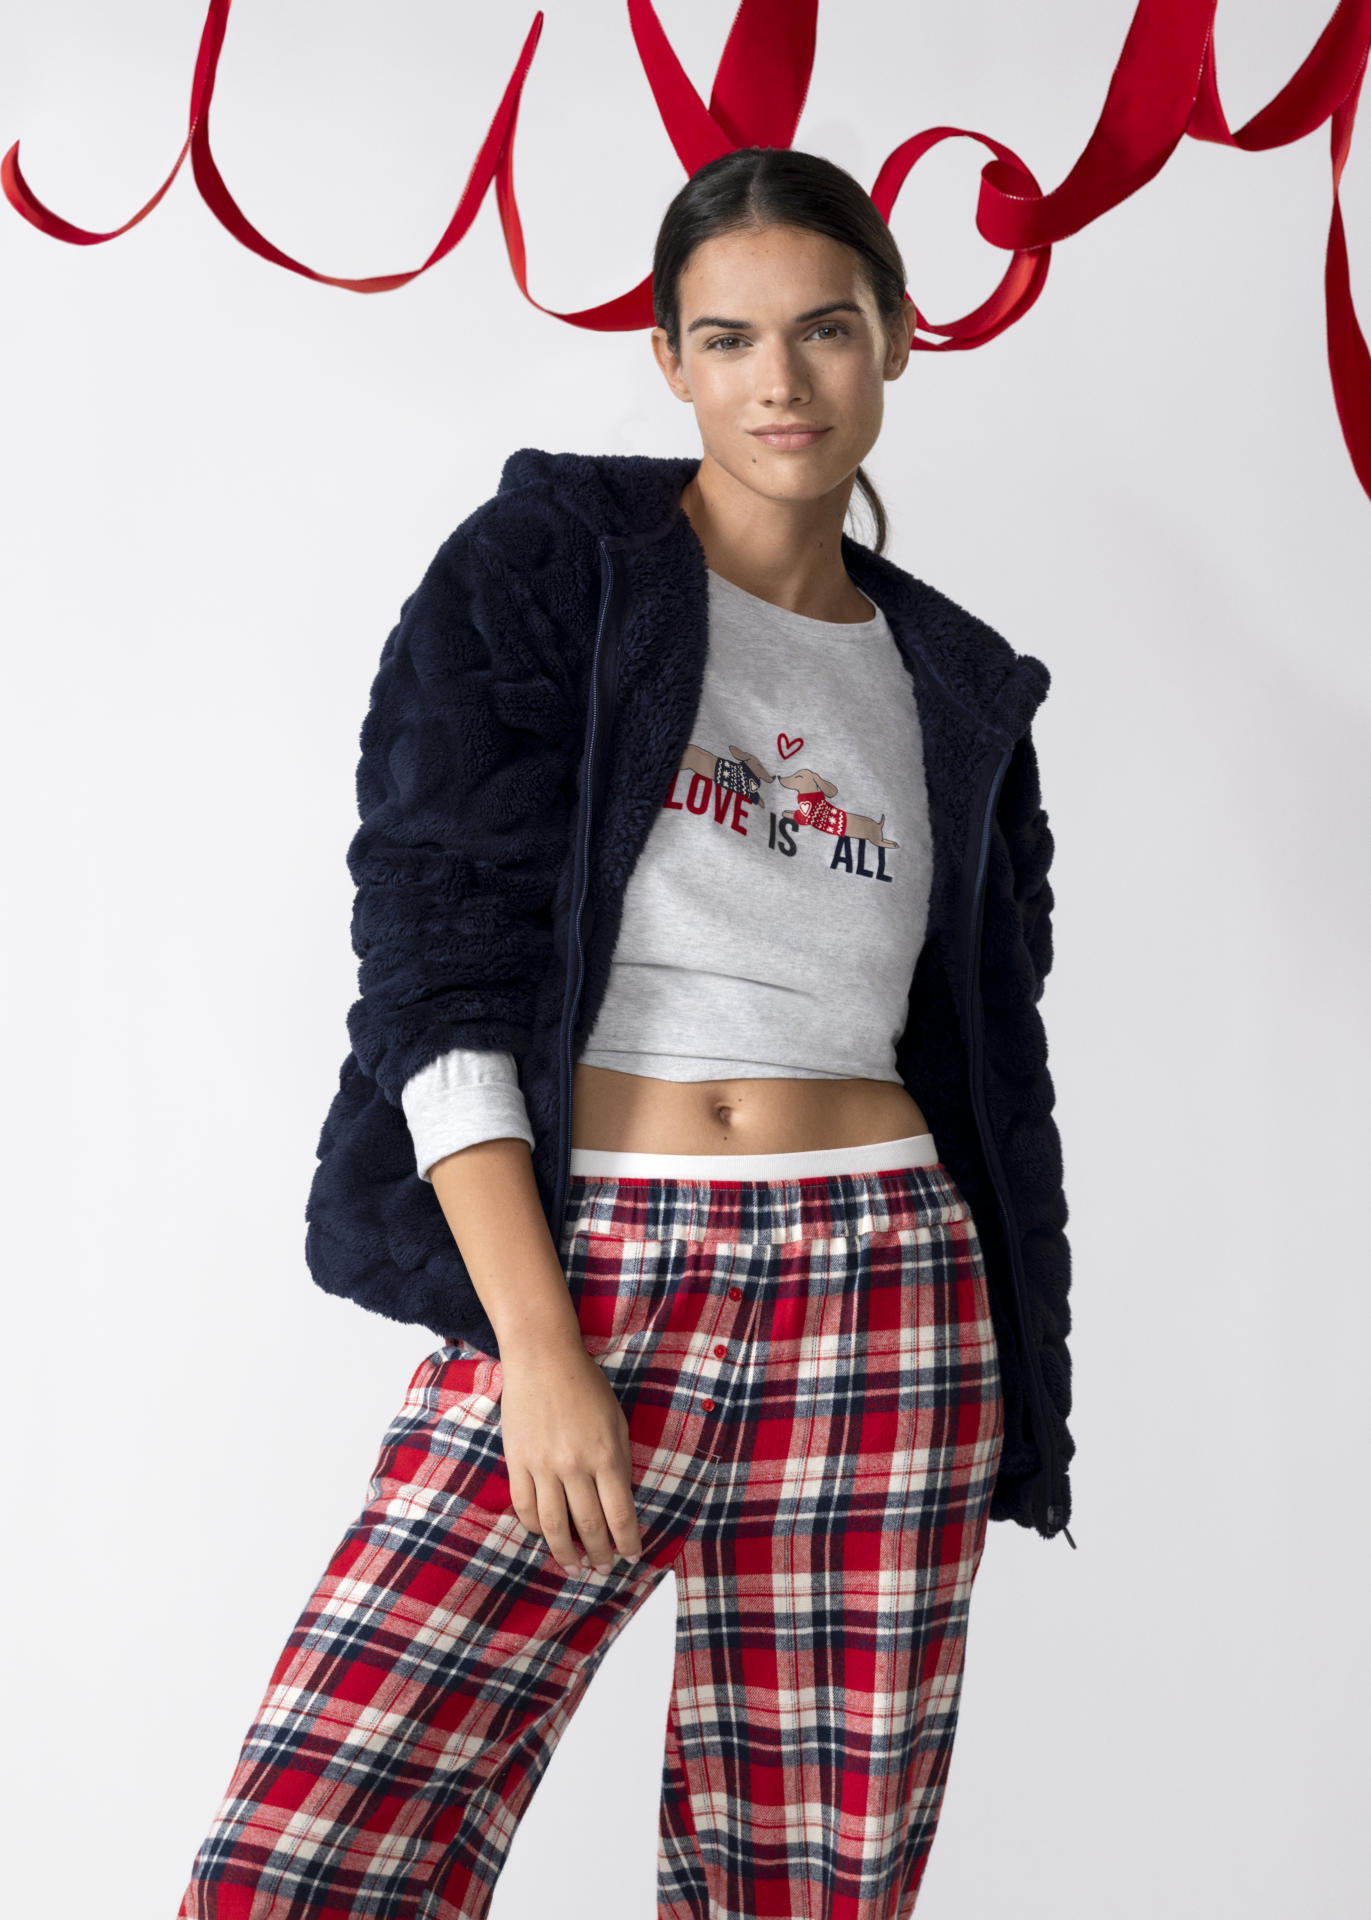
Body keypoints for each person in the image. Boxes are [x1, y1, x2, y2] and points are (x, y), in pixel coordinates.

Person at [178, 145, 1075, 1920]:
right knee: (305, 1857)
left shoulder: (959, 681)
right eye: (727, 338)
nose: (780, 380)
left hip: (885, 1294)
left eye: (825, 328)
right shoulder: (553, 570)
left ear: (898, 335)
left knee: (803, 1885)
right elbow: (433, 964)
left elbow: (994, 1048)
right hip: (594, 1270)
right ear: (669, 359)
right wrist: (534, 1343)